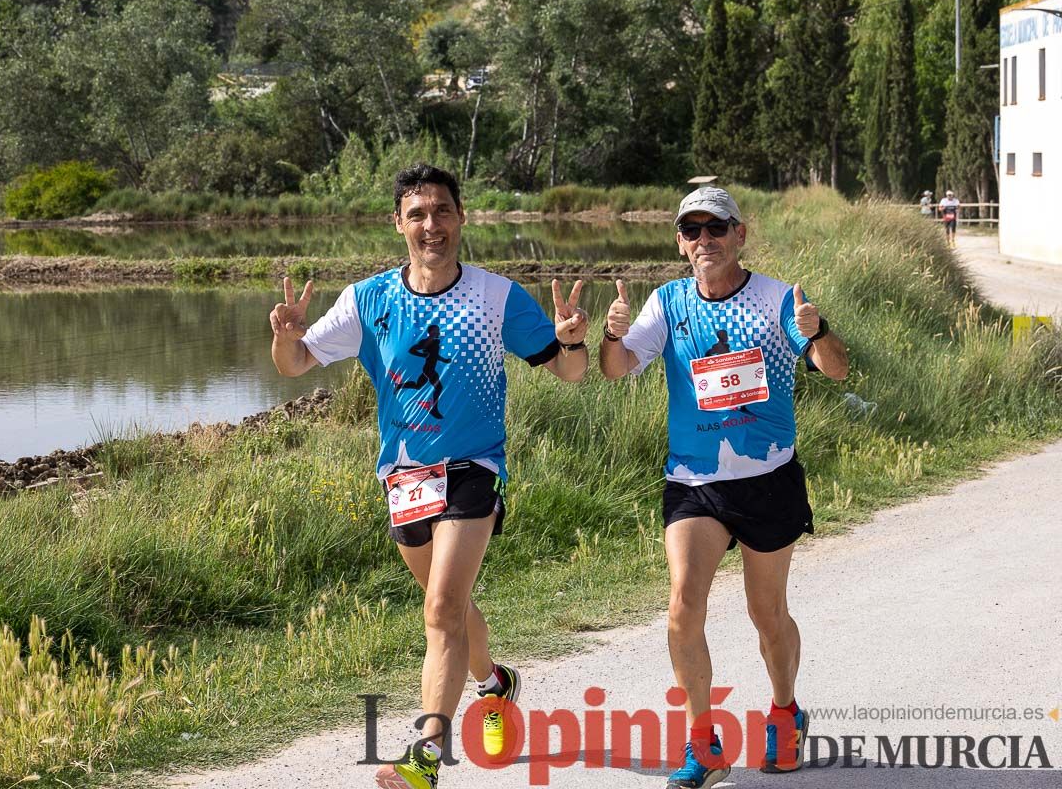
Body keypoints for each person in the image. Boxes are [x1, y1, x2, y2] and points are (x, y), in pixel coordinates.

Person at [270, 164, 590, 789]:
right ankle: (494, 685)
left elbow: (570, 372)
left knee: (443, 605)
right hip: (406, 478)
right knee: (448, 606)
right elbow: (294, 364)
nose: (431, 225)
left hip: (475, 469)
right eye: (417, 214)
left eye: (442, 211)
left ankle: (427, 752)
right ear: (399, 224)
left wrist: (573, 342)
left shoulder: (496, 297)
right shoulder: (367, 301)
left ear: (461, 218)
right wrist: (284, 335)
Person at [599, 186, 848, 789]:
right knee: (684, 603)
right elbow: (615, 369)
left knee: (767, 613)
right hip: (695, 481)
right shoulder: (669, 303)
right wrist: (609, 335)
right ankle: (702, 742)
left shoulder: (776, 299)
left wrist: (816, 334)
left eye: (716, 229)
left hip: (768, 480)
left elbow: (836, 368)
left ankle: (785, 712)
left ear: (740, 234)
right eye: (692, 231)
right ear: (680, 242)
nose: (703, 241)